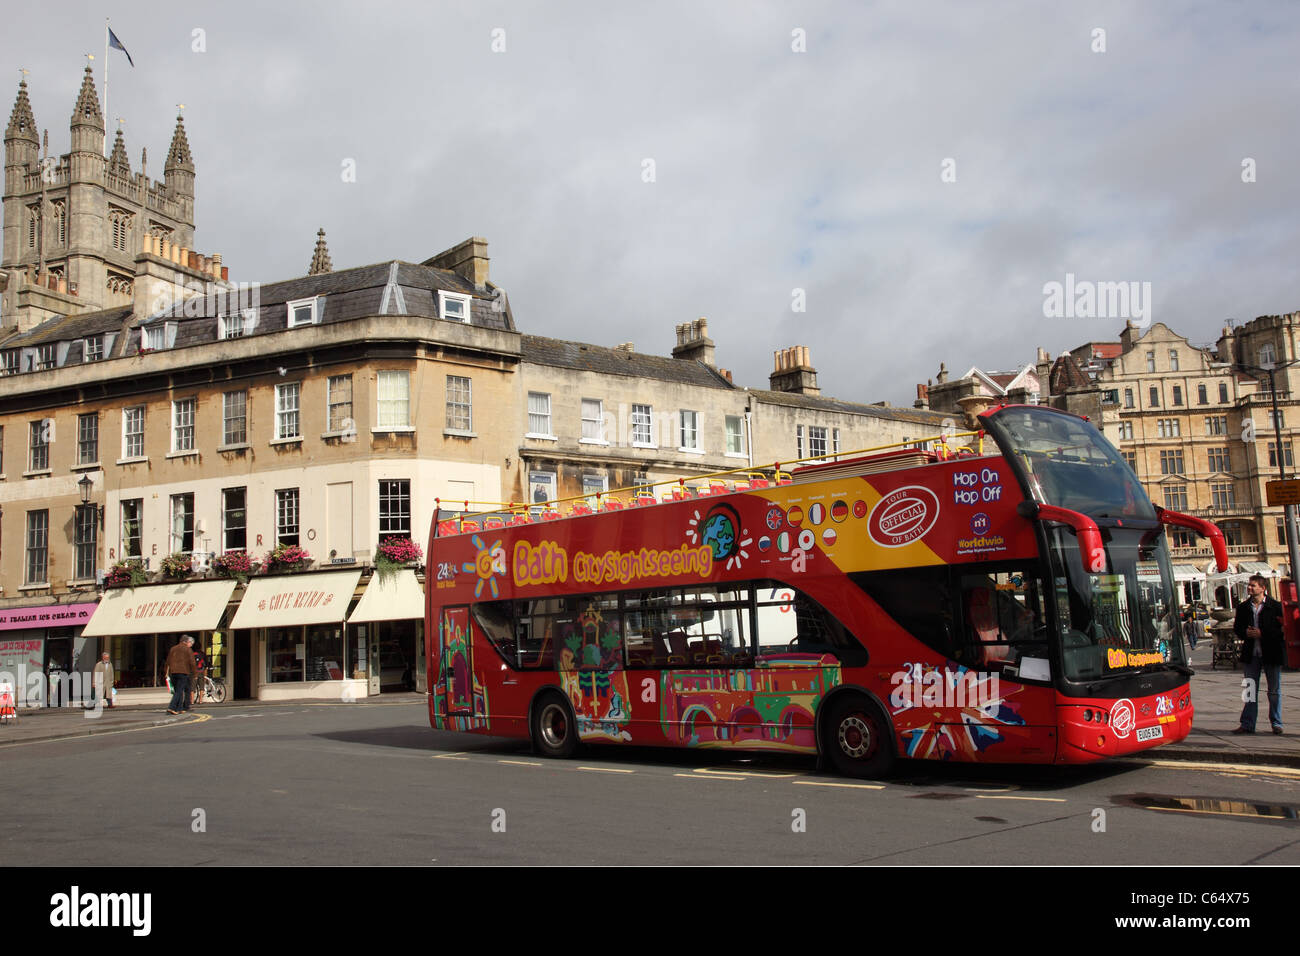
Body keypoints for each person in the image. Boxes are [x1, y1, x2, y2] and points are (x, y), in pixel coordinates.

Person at [1233, 575, 1284, 735]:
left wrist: (1263, 633)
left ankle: (1276, 723)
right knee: (1249, 689)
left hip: (1271, 653)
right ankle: (1247, 724)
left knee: (1274, 690)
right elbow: (1237, 628)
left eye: (1253, 586)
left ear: (1263, 588)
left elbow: (1282, 630)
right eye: (1249, 585)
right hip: (1251, 654)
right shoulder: (1243, 607)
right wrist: (1245, 633)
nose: (1249, 588)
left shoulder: (1275, 606)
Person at [165, 635, 197, 715]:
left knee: (178, 690)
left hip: (173, 673)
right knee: (179, 691)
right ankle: (171, 707)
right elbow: (192, 663)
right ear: (186, 642)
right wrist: (195, 674)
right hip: (183, 673)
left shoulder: (173, 649)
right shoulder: (188, 650)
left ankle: (179, 708)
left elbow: (167, 661)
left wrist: (166, 672)